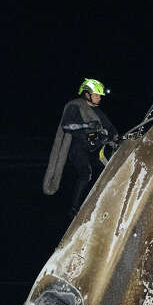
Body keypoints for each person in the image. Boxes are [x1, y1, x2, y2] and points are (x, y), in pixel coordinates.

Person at [43, 78, 119, 216]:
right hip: (77, 147)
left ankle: (102, 202)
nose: (99, 98)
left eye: (100, 95)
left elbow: (110, 127)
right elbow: (66, 125)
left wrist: (115, 137)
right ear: (87, 94)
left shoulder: (98, 112)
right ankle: (74, 208)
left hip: (95, 148)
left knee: (108, 170)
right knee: (86, 174)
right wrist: (86, 126)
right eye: (96, 95)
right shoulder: (76, 106)